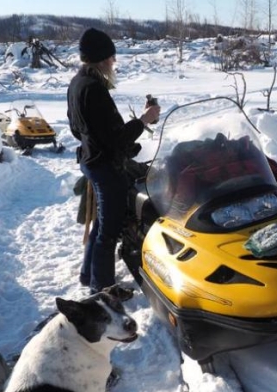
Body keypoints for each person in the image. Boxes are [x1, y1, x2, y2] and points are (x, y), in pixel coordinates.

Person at [67, 28, 161, 291]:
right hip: (105, 168)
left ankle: (89, 276)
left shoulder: (77, 83)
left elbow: (77, 128)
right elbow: (117, 138)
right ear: (101, 59)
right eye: (111, 58)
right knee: (108, 233)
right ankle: (103, 290)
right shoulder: (94, 89)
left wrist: (95, 139)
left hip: (92, 161)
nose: (114, 62)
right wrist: (144, 120)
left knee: (100, 226)